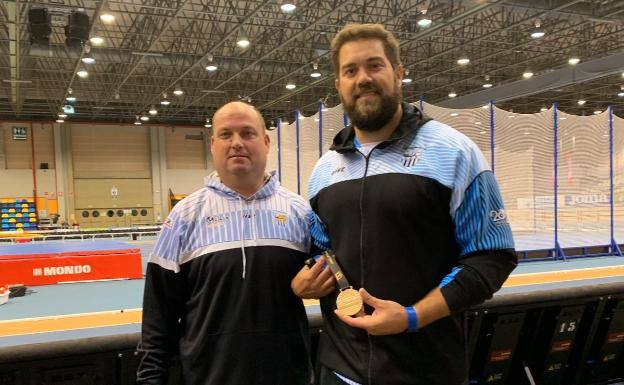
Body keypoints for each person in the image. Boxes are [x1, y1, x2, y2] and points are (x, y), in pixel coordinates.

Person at [292, 24, 517, 385]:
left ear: (398, 74)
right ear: (338, 85)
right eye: (350, 71)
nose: (362, 78)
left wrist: (412, 316)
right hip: (339, 370)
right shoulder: (324, 171)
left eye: (374, 66)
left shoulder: (453, 151)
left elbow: (492, 257)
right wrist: (306, 278)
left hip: (426, 371)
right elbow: (324, 252)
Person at [137, 101, 315, 385]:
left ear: (266, 142)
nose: (237, 143)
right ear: (212, 144)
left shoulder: (300, 212)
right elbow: (159, 315)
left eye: (247, 133)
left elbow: (329, 278)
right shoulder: (184, 216)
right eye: (226, 135)